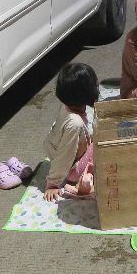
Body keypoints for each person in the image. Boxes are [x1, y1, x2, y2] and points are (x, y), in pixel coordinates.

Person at [43, 62, 99, 201]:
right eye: (95, 85)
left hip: (64, 154)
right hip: (73, 169)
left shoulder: (67, 105)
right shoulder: (74, 123)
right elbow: (65, 154)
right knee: (104, 139)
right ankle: (83, 183)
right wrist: (53, 183)